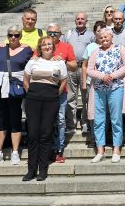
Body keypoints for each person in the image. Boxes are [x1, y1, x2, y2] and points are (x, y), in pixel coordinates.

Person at [22, 36, 68, 181]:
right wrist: (32, 93)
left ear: (53, 47)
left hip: (51, 101)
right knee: (33, 134)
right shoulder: (33, 61)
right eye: (44, 45)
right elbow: (25, 80)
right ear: (40, 48)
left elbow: (63, 82)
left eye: (49, 44)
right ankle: (31, 170)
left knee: (46, 134)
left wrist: (54, 95)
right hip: (33, 100)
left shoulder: (60, 62)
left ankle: (43, 170)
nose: (47, 47)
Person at [0, 26, 32, 166]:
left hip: (14, 88)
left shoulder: (27, 50)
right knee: (0, 120)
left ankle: (15, 152)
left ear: (20, 36)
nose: (13, 37)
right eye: (10, 34)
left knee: (15, 119)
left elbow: (29, 69)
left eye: (16, 35)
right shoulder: (0, 48)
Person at [87, 28, 125, 163]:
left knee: (116, 118)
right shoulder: (96, 51)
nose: (104, 39)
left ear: (111, 37)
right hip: (99, 89)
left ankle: (116, 149)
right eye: (101, 37)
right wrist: (102, 76)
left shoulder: (120, 48)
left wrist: (112, 76)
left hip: (116, 87)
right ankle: (100, 150)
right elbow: (89, 70)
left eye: (106, 37)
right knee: (98, 120)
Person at [45, 23, 76, 163]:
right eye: (50, 33)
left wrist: (62, 61)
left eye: (55, 33)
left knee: (61, 120)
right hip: (44, 89)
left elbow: (74, 66)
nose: (52, 35)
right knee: (46, 121)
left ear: (60, 34)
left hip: (61, 90)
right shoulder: (42, 46)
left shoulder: (66, 46)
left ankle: (59, 149)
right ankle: (46, 149)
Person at [62, 12, 95, 134]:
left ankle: (85, 123)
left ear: (86, 21)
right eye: (78, 19)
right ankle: (71, 125)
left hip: (84, 68)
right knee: (71, 97)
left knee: (86, 97)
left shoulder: (91, 35)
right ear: (75, 21)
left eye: (82, 19)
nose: (80, 20)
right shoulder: (69, 34)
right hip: (71, 67)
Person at [81, 21, 107, 145]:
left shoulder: (112, 46)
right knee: (92, 111)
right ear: (95, 33)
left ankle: (104, 137)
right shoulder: (91, 47)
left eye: (103, 31)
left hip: (107, 85)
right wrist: (84, 82)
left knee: (105, 111)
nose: (101, 33)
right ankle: (93, 136)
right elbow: (84, 65)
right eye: (98, 31)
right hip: (92, 84)